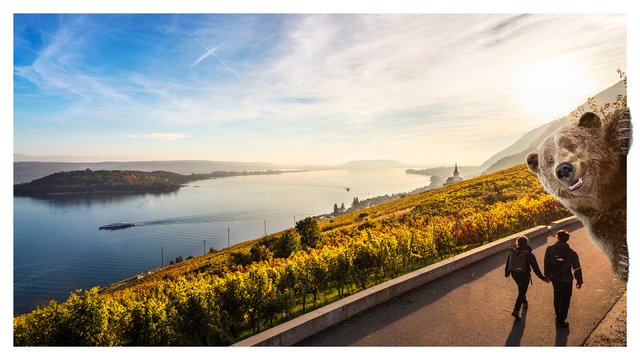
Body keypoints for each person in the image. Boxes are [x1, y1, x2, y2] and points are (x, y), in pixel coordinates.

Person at [544, 230, 583, 328]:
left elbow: (546, 262)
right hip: (566, 279)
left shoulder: (550, 249)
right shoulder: (571, 253)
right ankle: (561, 320)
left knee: (557, 295)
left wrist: (546, 275)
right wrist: (579, 280)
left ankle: (558, 315)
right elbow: (577, 267)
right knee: (566, 299)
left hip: (554, 277)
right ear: (567, 239)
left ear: (558, 238)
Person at [505, 236, 547, 320]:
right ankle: (516, 310)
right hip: (524, 275)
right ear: (527, 243)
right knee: (521, 291)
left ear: (517, 243)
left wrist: (507, 272)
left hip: (514, 274)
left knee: (521, 289)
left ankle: (524, 301)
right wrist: (543, 278)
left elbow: (508, 262)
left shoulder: (513, 251)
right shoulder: (529, 254)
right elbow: (536, 269)